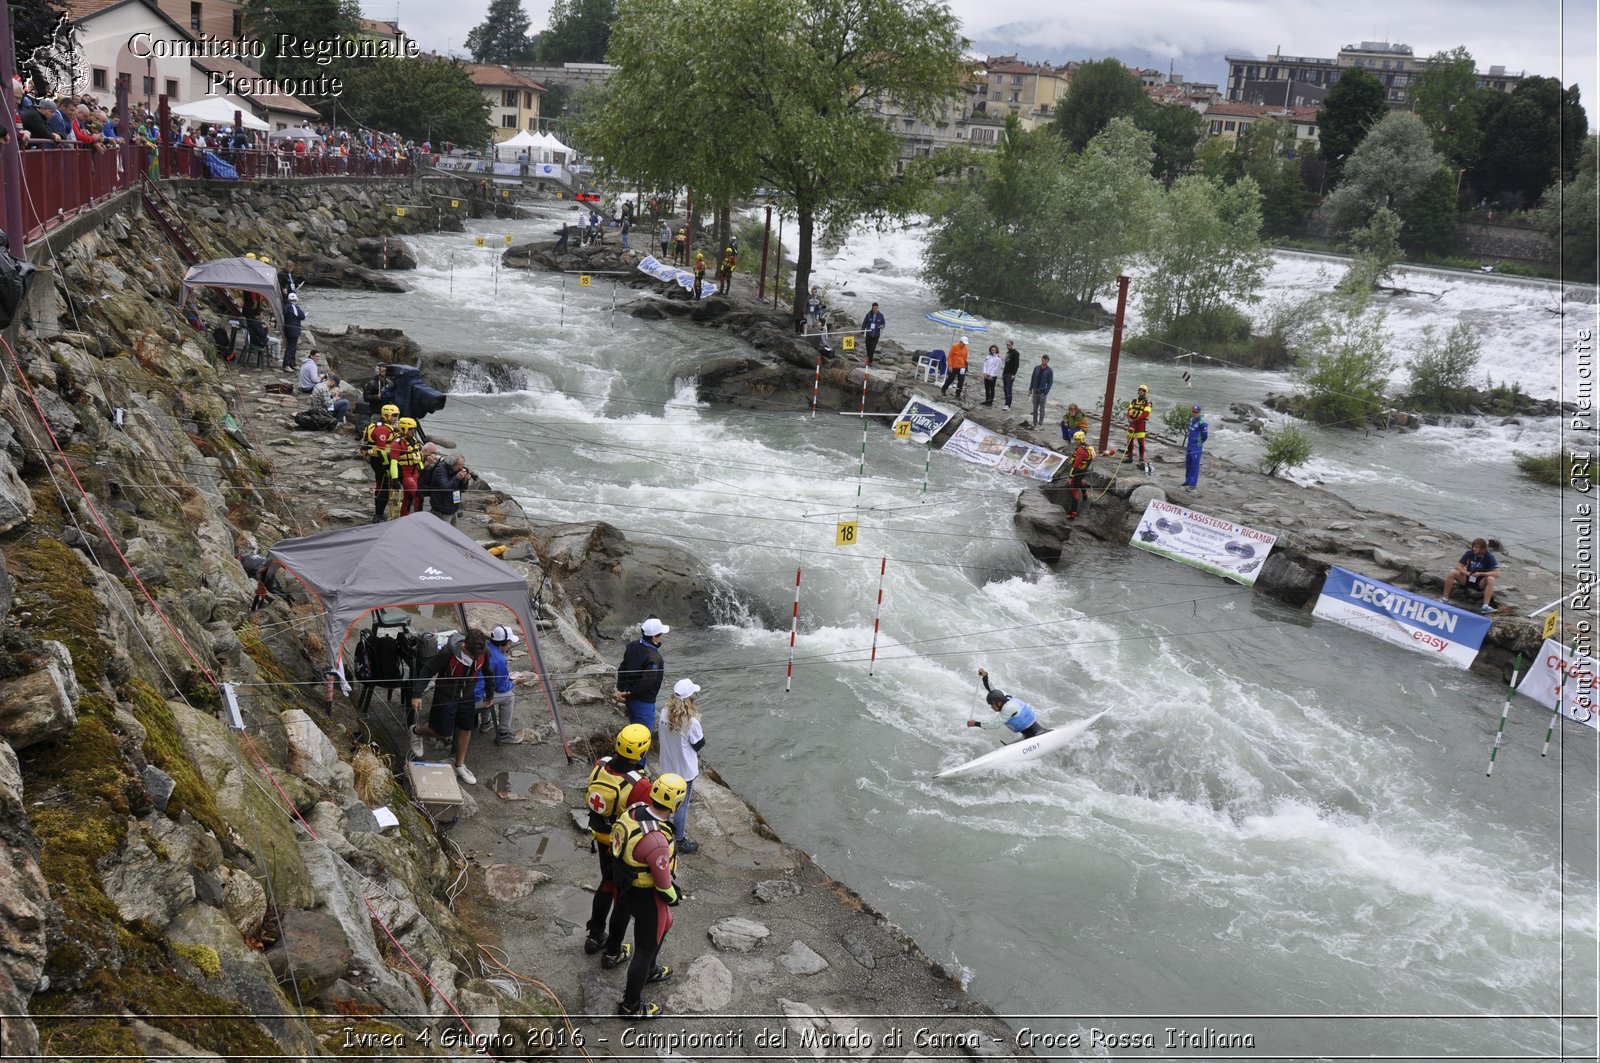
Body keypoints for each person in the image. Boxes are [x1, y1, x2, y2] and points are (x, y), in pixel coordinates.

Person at [605, 772, 687, 1020]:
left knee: (666, 924)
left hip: (625, 885)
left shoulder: (635, 810)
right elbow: (663, 885)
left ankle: (649, 968)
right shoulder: (657, 839)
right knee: (644, 948)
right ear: (677, 803)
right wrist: (675, 896)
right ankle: (631, 1005)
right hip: (646, 895)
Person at [583, 724, 654, 957]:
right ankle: (613, 951)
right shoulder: (640, 785)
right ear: (642, 753)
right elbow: (647, 819)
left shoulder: (599, 765)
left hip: (601, 837)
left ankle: (594, 935)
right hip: (621, 847)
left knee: (606, 883)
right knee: (622, 898)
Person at [407, 630, 490, 786]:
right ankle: (415, 730)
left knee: (466, 728)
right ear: (465, 646)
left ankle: (459, 764)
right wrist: (417, 694)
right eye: (473, 655)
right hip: (445, 695)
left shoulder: (483, 652)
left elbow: (488, 671)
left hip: (467, 695)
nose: (476, 658)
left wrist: (490, 694)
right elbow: (428, 670)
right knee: (442, 732)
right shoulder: (448, 653)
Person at [656, 679, 704, 854]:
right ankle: (681, 841)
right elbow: (699, 745)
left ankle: (663, 832)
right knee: (682, 806)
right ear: (690, 698)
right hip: (685, 771)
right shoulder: (691, 722)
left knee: (666, 802)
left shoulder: (663, 713)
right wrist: (698, 720)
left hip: (667, 767)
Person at [615, 618, 668, 744]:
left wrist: (622, 690)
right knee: (643, 739)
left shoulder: (632, 646)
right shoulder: (654, 658)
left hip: (630, 698)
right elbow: (646, 684)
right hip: (644, 703)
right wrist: (629, 693)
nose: (661, 637)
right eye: (660, 634)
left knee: (633, 729)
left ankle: (628, 759)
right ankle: (638, 763)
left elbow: (622, 668)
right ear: (653, 637)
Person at [475, 624, 528, 746]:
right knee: (509, 697)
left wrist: (506, 676)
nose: (510, 646)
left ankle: (486, 723)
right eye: (509, 643)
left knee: (488, 688)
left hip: (467, 691)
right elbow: (501, 687)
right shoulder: (499, 659)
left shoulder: (486, 646)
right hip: (473, 698)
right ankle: (504, 734)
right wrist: (514, 682)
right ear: (503, 643)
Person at [968, 668, 1048, 739]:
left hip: (1035, 733)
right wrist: (985, 676)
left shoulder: (1007, 708)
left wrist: (975, 723)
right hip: (1028, 732)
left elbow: (994, 724)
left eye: (992, 705)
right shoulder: (1003, 696)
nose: (992, 707)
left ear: (999, 703)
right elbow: (992, 689)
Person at [361, 403, 400, 523]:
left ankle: (379, 512)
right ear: (386, 415)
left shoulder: (387, 426)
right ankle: (378, 515)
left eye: (397, 415)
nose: (396, 418)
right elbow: (382, 450)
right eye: (394, 415)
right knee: (384, 487)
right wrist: (387, 467)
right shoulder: (382, 429)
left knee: (382, 486)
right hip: (381, 462)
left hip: (381, 460)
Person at [1442, 538, 1501, 613]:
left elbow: (1497, 573)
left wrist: (1481, 574)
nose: (1474, 549)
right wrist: (1466, 573)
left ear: (1482, 548)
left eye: (1476, 547)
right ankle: (1445, 599)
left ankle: (1485, 606)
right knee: (1452, 572)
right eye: (1473, 546)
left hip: (1480, 582)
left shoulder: (1489, 557)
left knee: (1491, 579)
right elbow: (1458, 566)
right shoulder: (1469, 553)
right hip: (1467, 578)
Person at [428, 452, 473, 526]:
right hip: (442, 509)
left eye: (463, 466)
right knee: (442, 532)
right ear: (453, 464)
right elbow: (445, 488)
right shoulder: (440, 470)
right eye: (459, 467)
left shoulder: (456, 471)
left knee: (453, 531)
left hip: (452, 508)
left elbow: (462, 490)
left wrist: (465, 481)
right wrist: (457, 477)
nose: (461, 469)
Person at [392, 416, 424, 515]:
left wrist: (422, 471)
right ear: (403, 428)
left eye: (414, 429)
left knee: (408, 497)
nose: (412, 431)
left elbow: (418, 457)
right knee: (419, 496)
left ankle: (404, 516)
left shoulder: (414, 440)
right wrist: (395, 479)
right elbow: (393, 463)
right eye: (410, 429)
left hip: (415, 472)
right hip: (405, 474)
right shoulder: (397, 444)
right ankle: (419, 518)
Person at [1122, 384, 1153, 471]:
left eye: (1143, 390)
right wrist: (1129, 418)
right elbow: (1129, 410)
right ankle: (1129, 457)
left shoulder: (1148, 402)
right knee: (1129, 440)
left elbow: (1145, 414)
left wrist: (1135, 420)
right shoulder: (1134, 401)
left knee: (1140, 442)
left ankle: (1141, 459)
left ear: (1145, 392)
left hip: (1140, 424)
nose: (1141, 391)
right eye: (1140, 390)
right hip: (1132, 422)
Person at [1066, 430, 1095, 520]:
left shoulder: (1081, 451)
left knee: (1074, 492)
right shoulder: (1089, 447)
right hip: (1084, 470)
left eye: (1077, 440)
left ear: (1082, 439)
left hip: (1077, 471)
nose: (1075, 441)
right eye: (1075, 440)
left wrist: (1070, 477)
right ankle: (1085, 493)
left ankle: (1072, 514)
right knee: (1080, 481)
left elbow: (1076, 465)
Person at [1182, 405, 1209, 490]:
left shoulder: (1203, 422)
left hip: (1196, 447)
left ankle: (1193, 484)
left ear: (1200, 412)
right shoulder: (1192, 419)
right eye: (1193, 411)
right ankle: (1188, 481)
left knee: (1195, 465)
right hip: (1189, 445)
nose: (1194, 413)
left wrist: (1199, 443)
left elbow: (1205, 436)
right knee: (1188, 464)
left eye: (1196, 412)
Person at [940, 335, 969, 400]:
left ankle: (957, 394)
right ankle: (943, 389)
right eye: (963, 343)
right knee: (950, 379)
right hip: (954, 366)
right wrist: (950, 366)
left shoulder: (966, 348)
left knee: (961, 381)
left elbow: (965, 358)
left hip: (962, 367)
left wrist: (965, 366)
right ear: (960, 342)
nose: (964, 345)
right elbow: (949, 357)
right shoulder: (954, 346)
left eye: (965, 344)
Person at [1027, 355, 1053, 427]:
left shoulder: (1049, 371)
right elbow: (1032, 378)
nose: (1044, 361)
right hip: (1035, 391)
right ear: (1041, 360)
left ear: (1048, 361)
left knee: (1042, 409)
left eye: (1046, 360)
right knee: (1035, 408)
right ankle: (1034, 422)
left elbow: (1050, 382)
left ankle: (1040, 423)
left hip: (1042, 393)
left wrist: (1046, 392)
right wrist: (1030, 389)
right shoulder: (1036, 368)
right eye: (1043, 360)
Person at [1001, 340, 1021, 411]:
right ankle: (1006, 403)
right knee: (1005, 389)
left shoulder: (1016, 353)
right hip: (1005, 373)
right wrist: (1003, 374)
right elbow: (1006, 364)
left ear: (1012, 345)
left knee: (1009, 389)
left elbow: (1016, 364)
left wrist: (1014, 374)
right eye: (1007, 345)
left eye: (1009, 345)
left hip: (1010, 374)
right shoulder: (1007, 353)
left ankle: (1008, 405)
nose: (1008, 346)